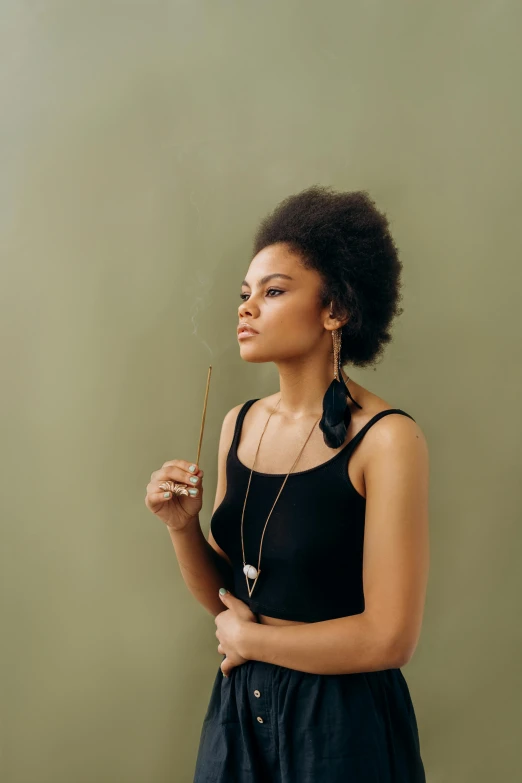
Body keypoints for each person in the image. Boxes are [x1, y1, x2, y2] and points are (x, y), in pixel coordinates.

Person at [145, 185, 430, 782]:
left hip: (340, 728)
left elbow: (389, 638)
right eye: (245, 294)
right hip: (239, 716)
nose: (247, 308)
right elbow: (229, 598)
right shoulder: (238, 424)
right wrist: (182, 528)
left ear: (337, 309)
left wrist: (254, 644)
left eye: (273, 292)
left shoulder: (386, 440)